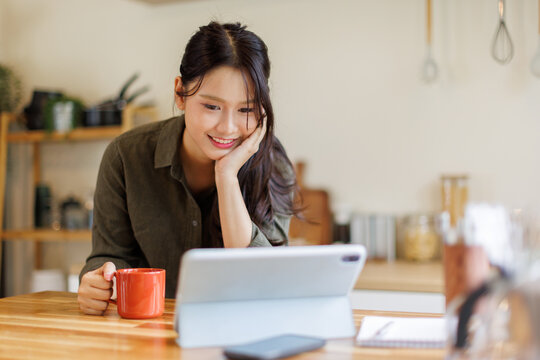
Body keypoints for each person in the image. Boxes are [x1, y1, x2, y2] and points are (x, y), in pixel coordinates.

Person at [77, 21, 299, 315]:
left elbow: (264, 284)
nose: (228, 128)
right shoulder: (125, 156)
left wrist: (227, 177)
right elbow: (109, 256)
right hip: (147, 336)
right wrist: (96, 282)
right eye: (212, 107)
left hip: (242, 330)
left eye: (246, 109)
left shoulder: (274, 166)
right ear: (180, 94)